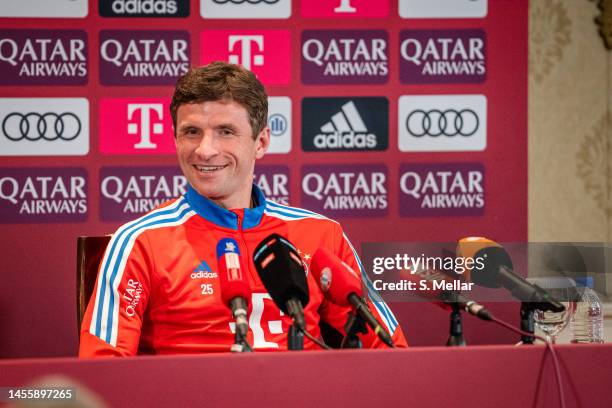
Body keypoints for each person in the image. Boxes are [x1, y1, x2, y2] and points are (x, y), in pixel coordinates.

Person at [79, 61, 406, 356]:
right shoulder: (140, 241)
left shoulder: (322, 234)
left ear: (261, 142)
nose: (205, 150)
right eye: (191, 132)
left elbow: (390, 349)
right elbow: (103, 368)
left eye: (225, 132)